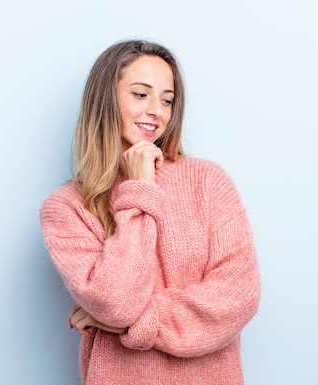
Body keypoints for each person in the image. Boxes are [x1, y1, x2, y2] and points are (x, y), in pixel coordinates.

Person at [40, 39, 261, 385]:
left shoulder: (207, 181)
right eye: (140, 94)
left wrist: (129, 322)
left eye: (167, 99)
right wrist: (140, 189)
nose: (157, 110)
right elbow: (117, 303)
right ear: (105, 99)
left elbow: (238, 295)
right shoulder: (66, 207)